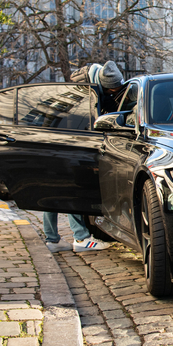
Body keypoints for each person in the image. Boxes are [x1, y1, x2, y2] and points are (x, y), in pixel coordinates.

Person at [43, 60, 124, 253]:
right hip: (68, 148)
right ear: (106, 86)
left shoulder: (82, 87)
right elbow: (84, 127)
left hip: (52, 145)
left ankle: (52, 239)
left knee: (52, 193)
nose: (114, 92)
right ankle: (81, 238)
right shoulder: (87, 96)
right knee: (74, 192)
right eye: (113, 90)